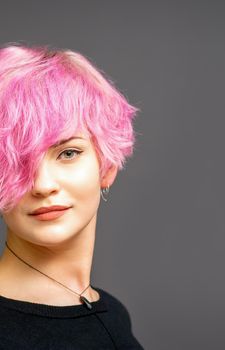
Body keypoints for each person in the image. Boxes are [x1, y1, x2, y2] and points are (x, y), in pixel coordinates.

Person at [0, 44, 144, 349]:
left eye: (68, 152)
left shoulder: (113, 315)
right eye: (16, 160)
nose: (41, 184)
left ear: (106, 166)